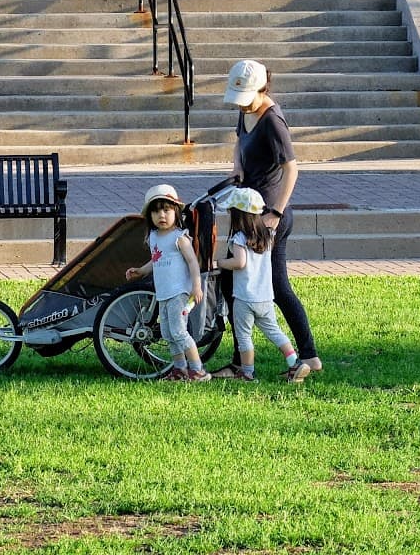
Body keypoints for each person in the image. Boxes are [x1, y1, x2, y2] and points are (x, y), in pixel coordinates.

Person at [225, 58, 321, 382]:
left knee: (275, 287)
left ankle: (306, 355)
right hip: (247, 211)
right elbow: (239, 140)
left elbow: (291, 168)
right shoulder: (245, 109)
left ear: (262, 88)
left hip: (267, 217)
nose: (241, 104)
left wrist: (275, 214)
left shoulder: (272, 121)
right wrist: (237, 166)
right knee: (236, 284)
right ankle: (244, 359)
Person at [210, 187, 299, 381]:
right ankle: (295, 363)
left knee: (244, 336)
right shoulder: (268, 235)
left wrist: (220, 263)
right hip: (265, 296)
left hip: (245, 297)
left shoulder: (239, 238)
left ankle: (247, 372)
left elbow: (239, 263)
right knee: (274, 331)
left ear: (238, 215)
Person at [125, 182, 210, 382]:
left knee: (179, 331)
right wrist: (141, 270)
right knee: (167, 333)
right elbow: (156, 260)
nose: (161, 215)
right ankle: (179, 369)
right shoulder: (154, 237)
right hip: (163, 293)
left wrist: (196, 286)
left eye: (166, 210)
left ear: (176, 212)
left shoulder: (179, 238)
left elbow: (193, 262)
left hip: (179, 293)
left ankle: (197, 370)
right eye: (156, 212)